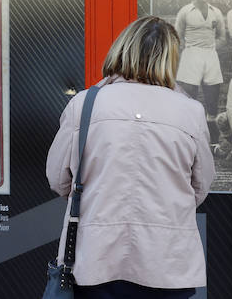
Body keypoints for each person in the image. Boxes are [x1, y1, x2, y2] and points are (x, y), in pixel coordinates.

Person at [46, 16, 215, 299]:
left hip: (95, 260)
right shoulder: (190, 112)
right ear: (171, 59)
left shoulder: (85, 104)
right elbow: (199, 187)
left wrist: (96, 200)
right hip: (167, 263)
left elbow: (58, 179)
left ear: (122, 49)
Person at [174, 0, 226, 119]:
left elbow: (222, 37)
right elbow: (177, 35)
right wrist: (187, 49)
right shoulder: (185, 11)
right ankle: (188, 129)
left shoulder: (216, 12)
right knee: (189, 97)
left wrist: (212, 48)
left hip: (210, 54)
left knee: (213, 97)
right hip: (191, 53)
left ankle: (213, 138)